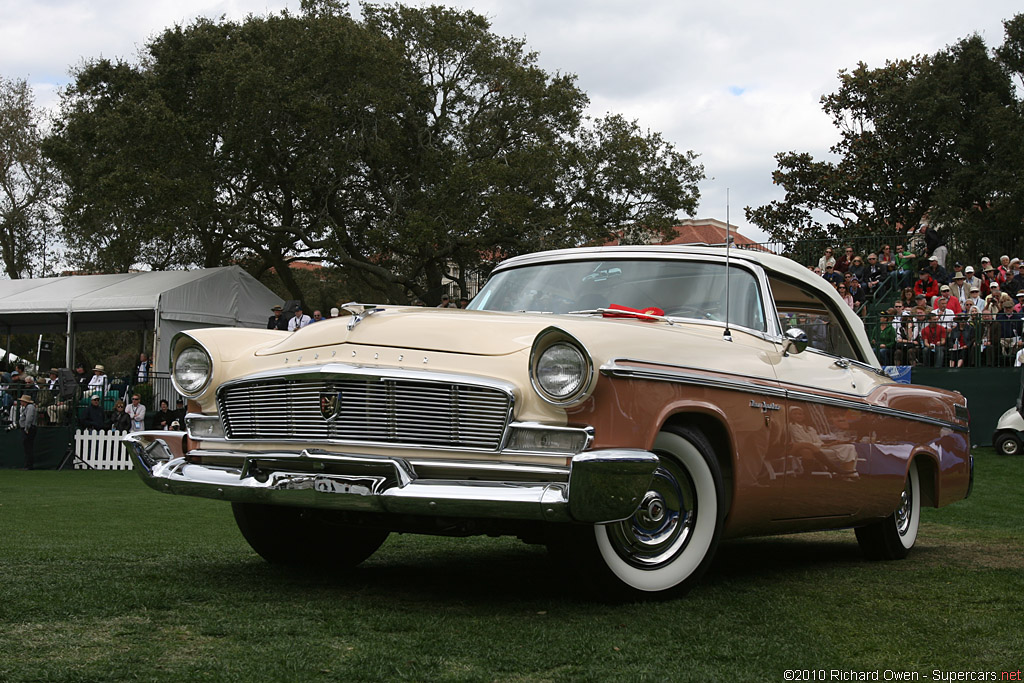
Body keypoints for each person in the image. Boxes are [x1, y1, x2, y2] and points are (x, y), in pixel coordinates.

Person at [18, 394, 37, 470]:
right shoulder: (28, 407)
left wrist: (26, 428)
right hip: (29, 428)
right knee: (28, 447)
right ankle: (28, 465)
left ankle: (28, 465)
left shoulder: (30, 407)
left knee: (28, 447)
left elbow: (29, 418)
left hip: (29, 429)